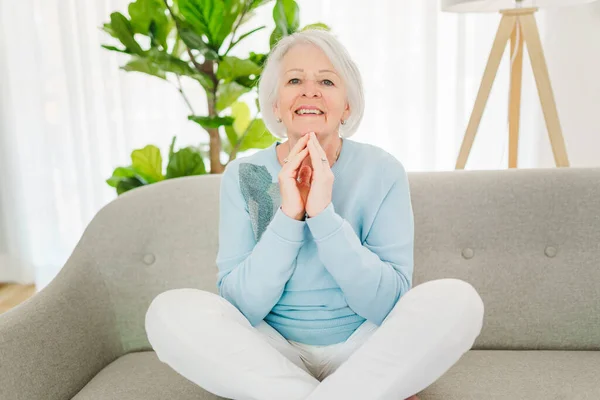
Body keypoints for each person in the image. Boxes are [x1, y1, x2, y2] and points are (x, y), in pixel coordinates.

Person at [145, 29, 485, 400]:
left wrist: (323, 216)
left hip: (364, 346)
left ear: (347, 105)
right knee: (167, 312)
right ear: (276, 105)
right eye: (294, 80)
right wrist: (289, 215)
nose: (310, 90)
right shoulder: (245, 175)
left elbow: (387, 303)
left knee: (458, 301)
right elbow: (240, 305)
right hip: (270, 351)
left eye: (326, 80)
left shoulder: (383, 170)